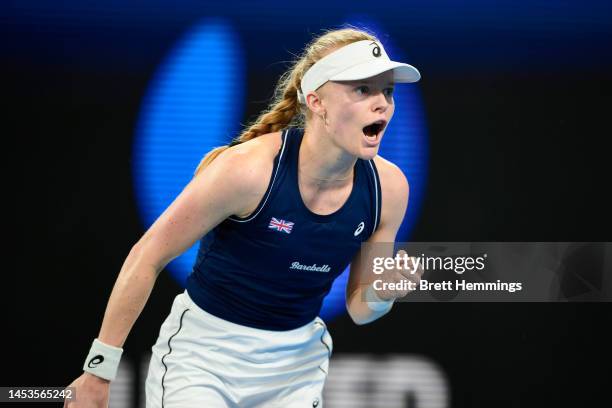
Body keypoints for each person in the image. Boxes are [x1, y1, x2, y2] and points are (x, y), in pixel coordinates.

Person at [64, 27, 423, 408]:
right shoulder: (247, 171)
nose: (382, 103)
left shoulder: (390, 188)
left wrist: (383, 294)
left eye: (387, 91)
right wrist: (98, 371)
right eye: (362, 89)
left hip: (295, 371)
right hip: (203, 361)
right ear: (317, 102)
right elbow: (146, 257)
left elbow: (360, 307)